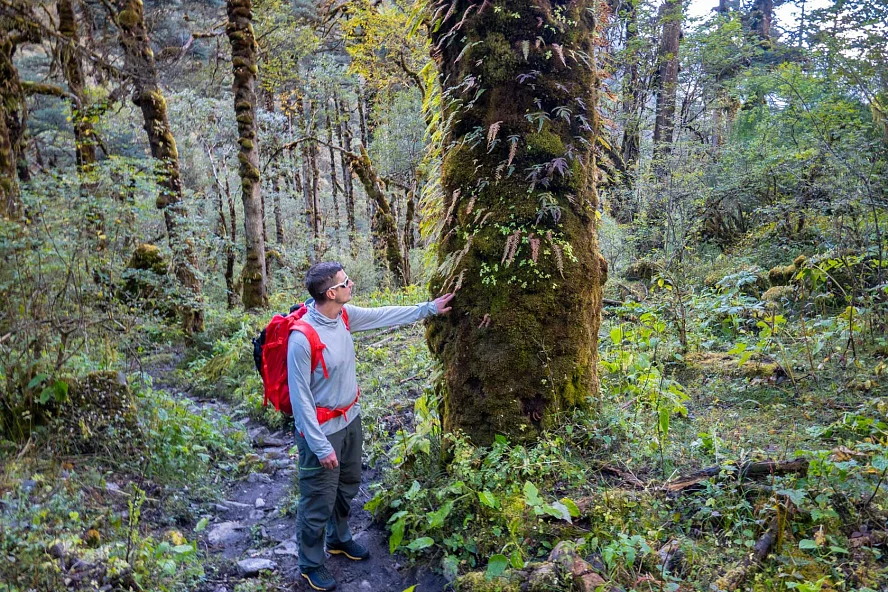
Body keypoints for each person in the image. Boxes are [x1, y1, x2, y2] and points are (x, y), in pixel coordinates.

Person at [288, 262, 454, 591]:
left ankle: (338, 540)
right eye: (344, 281)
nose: (351, 283)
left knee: (347, 485)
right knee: (318, 497)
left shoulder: (344, 316)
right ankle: (310, 562)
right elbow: (300, 400)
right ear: (331, 292)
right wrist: (320, 445)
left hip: (351, 421)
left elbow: (383, 315)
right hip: (321, 432)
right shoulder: (302, 339)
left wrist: (428, 308)